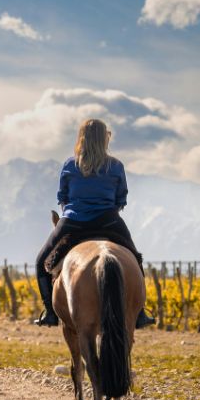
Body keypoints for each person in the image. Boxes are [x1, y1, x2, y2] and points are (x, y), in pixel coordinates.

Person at [33, 119, 155, 329]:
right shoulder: (116, 166)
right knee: (135, 259)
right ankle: (140, 313)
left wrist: (76, 210)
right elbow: (121, 199)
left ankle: (50, 313)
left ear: (81, 138)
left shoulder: (70, 165)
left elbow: (62, 196)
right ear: (104, 138)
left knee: (41, 262)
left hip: (73, 222)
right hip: (108, 220)